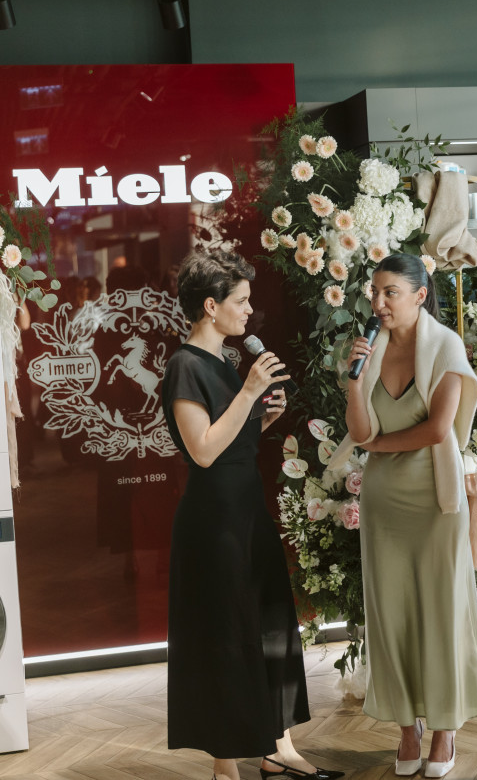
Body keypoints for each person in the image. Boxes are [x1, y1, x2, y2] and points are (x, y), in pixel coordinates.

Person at [161, 250, 342, 780]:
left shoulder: (224, 362)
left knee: (265, 625)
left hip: (246, 511)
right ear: (210, 306)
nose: (249, 311)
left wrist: (261, 418)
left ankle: (277, 748)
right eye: (240, 301)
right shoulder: (184, 366)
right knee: (225, 633)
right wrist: (248, 392)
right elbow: (202, 451)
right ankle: (226, 763)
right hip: (213, 522)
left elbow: (230, 442)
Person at [333, 252, 477, 779]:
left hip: (434, 499)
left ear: (420, 295)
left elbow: (436, 430)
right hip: (385, 502)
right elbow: (361, 433)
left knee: (442, 611)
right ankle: (408, 728)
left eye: (390, 293)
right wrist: (355, 382)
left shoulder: (446, 345)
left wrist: (377, 448)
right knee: (392, 615)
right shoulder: (370, 349)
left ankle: (446, 729)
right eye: (374, 292)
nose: (378, 303)